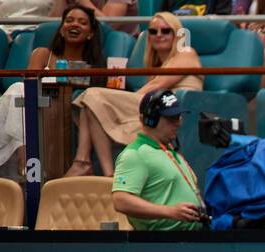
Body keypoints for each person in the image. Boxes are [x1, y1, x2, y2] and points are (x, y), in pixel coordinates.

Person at [66, 11, 202, 177]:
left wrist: (118, 101)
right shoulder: (157, 64)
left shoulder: (186, 52)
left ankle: (83, 163)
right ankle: (105, 173)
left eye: (165, 31)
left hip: (170, 109)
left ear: (177, 34)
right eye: (153, 31)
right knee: (90, 104)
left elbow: (158, 85)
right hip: (154, 108)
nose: (158, 35)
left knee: (92, 95)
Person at [0, 4, 105, 177]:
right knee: (19, 90)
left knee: (18, 93)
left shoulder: (92, 68)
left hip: (53, 119)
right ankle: (25, 156)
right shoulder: (42, 54)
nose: (74, 25)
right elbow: (30, 88)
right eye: (69, 20)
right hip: (25, 114)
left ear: (91, 33)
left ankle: (25, 160)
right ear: (62, 29)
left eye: (82, 22)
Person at [110, 87, 207, 229]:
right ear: (150, 120)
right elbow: (121, 200)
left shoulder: (170, 151)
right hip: (161, 243)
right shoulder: (136, 154)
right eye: (171, 118)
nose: (178, 123)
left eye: (178, 117)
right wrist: (170, 212)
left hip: (189, 239)